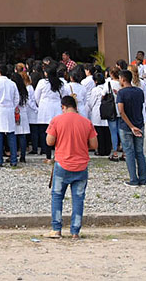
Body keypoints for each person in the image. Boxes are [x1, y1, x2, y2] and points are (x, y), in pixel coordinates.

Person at [46, 95, 98, 239]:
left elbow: (50, 141)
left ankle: (56, 229)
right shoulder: (86, 122)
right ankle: (75, 231)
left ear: (63, 106)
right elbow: (94, 145)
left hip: (62, 164)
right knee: (78, 199)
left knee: (57, 196)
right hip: (81, 166)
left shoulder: (56, 121)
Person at [116, 69, 146, 187]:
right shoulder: (139, 91)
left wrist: (131, 126)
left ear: (123, 79)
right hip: (139, 124)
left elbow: (121, 111)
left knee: (129, 152)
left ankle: (133, 179)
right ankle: (143, 178)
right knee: (139, 152)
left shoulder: (121, 93)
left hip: (126, 126)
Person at [34, 65, 67, 164]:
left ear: (46, 73)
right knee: (58, 134)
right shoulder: (60, 83)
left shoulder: (42, 83)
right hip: (57, 109)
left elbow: (36, 96)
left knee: (46, 133)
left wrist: (40, 104)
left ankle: (48, 156)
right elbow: (64, 96)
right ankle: (57, 155)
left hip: (45, 109)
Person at [87, 72, 111, 156]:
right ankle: (108, 149)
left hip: (97, 111)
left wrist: (90, 108)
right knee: (107, 132)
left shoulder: (95, 90)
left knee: (99, 132)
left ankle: (100, 150)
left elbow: (91, 102)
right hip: (107, 111)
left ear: (96, 81)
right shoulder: (107, 88)